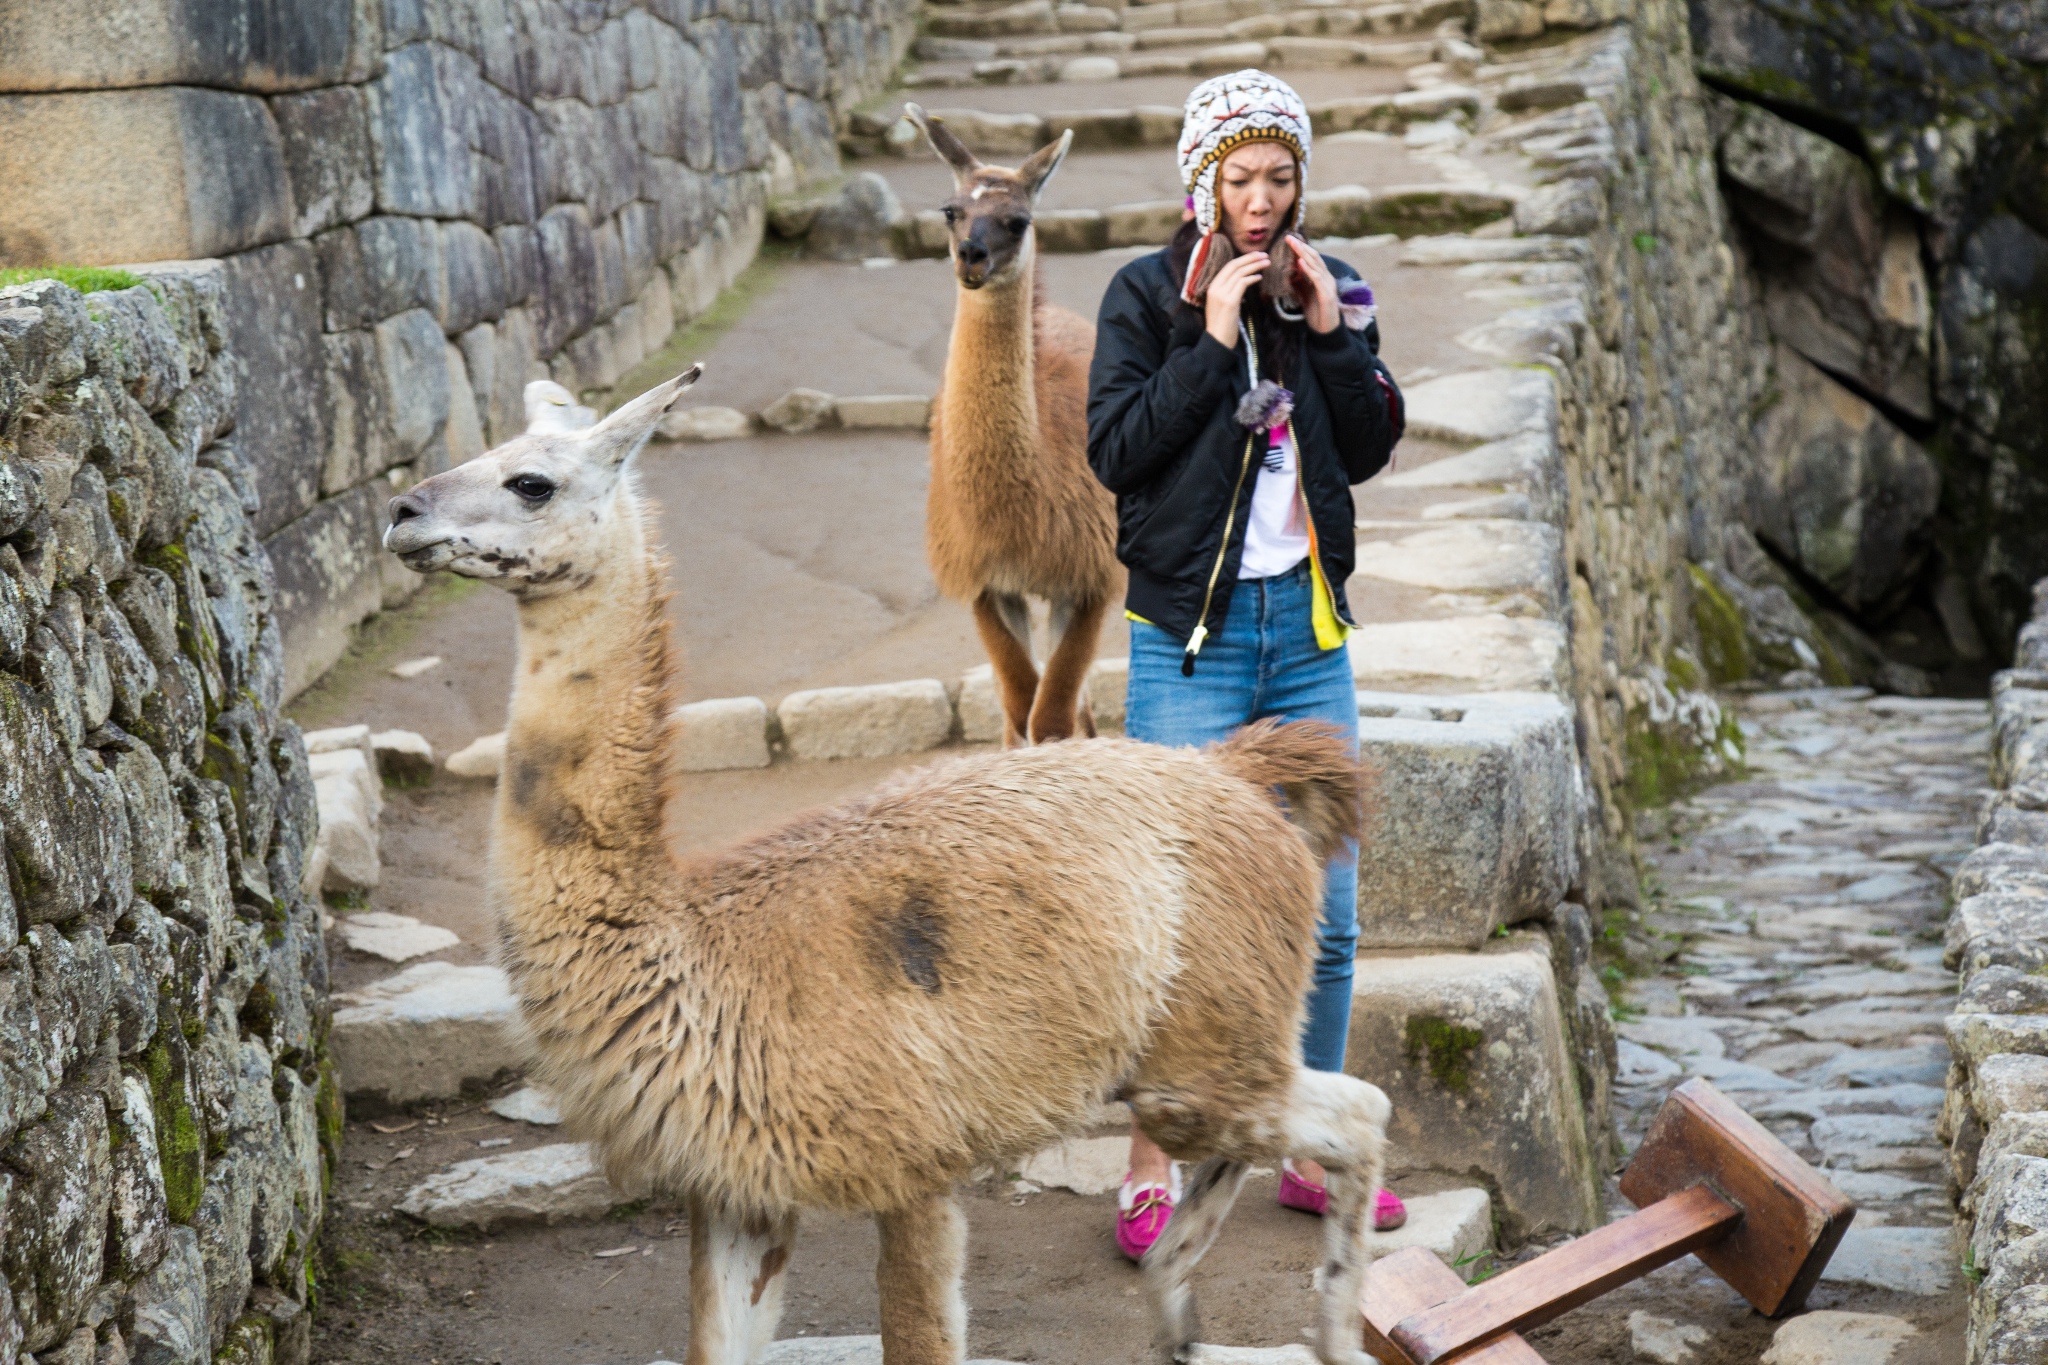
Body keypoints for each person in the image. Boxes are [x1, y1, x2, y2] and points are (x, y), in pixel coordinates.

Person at [1085, 69, 1407, 1261]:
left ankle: (1308, 1145)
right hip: (1189, 644)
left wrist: (1327, 335)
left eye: (1280, 178)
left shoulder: (1331, 288)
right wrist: (1205, 337)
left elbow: (1367, 446)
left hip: (1306, 636)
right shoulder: (1140, 296)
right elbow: (1116, 455)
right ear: (1201, 185)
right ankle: (1150, 1159)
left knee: (1326, 923)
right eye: (1240, 178)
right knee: (1176, 918)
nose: (1261, 201)